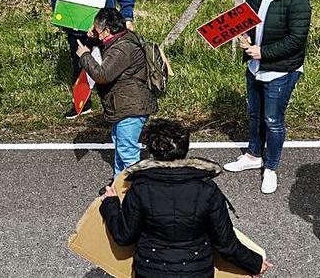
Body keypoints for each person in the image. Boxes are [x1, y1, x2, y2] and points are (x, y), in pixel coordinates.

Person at [99, 119, 271, 278]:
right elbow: (225, 243)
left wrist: (110, 203)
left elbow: (124, 236)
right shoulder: (208, 189)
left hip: (151, 271)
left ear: (151, 150)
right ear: (185, 149)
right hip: (196, 271)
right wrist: (254, 263)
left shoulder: (139, 188)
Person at [223, 0, 311, 195]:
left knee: (273, 120)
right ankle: (253, 155)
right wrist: (233, 32)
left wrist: (263, 52)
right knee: (255, 113)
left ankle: (270, 167)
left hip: (280, 71)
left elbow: (296, 40)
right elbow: (246, 15)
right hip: (255, 67)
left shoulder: (297, 1)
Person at [51, 0, 136, 119]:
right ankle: (82, 104)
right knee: (80, 64)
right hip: (77, 30)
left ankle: (113, 105)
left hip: (106, 30)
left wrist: (127, 17)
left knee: (110, 66)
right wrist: (65, 21)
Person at [76, 7, 157, 177]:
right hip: (124, 103)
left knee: (128, 152)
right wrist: (95, 39)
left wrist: (84, 55)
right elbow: (108, 51)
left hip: (131, 106)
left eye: (97, 29)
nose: (94, 31)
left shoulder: (122, 49)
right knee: (121, 146)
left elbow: (102, 74)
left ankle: (134, 189)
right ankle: (119, 183)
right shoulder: (122, 38)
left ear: (107, 30)